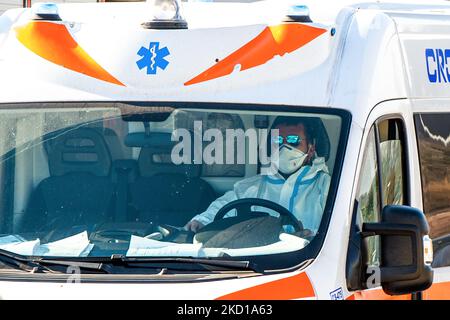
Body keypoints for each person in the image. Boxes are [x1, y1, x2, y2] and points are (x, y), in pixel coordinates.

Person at [185, 116, 331, 236]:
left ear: (311, 149)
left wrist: (310, 236)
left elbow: (338, 232)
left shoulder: (327, 188)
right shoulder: (250, 187)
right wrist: (201, 222)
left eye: (293, 141)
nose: (284, 147)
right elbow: (220, 208)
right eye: (277, 141)